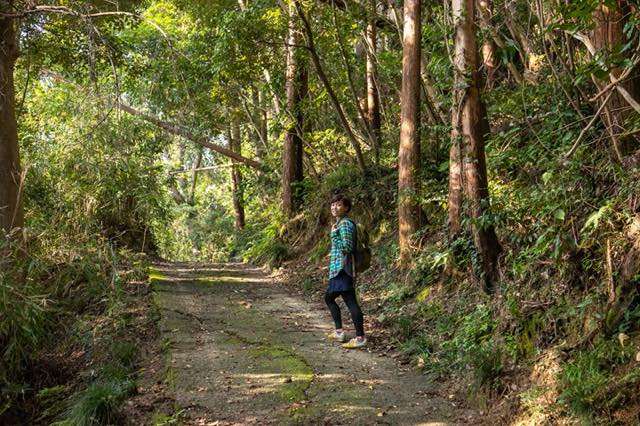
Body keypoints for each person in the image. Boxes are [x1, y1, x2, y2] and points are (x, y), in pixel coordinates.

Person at [325, 194, 366, 349]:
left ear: (346, 208)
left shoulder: (345, 225)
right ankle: (340, 331)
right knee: (334, 299)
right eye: (333, 205)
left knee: (346, 301)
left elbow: (347, 248)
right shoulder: (339, 223)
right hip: (339, 270)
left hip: (343, 269)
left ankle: (359, 337)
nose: (335, 208)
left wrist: (333, 235)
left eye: (339, 205)